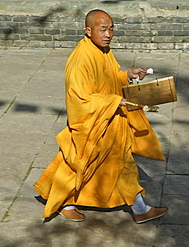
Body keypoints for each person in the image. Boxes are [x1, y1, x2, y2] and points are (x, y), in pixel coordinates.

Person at [33, 9, 168, 224]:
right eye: (103, 29)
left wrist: (127, 75)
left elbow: (108, 77)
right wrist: (113, 101)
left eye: (111, 28)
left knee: (121, 163)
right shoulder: (81, 59)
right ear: (88, 31)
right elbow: (79, 98)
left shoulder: (102, 51)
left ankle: (139, 208)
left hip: (111, 118)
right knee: (80, 164)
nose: (108, 34)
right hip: (93, 121)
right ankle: (65, 202)